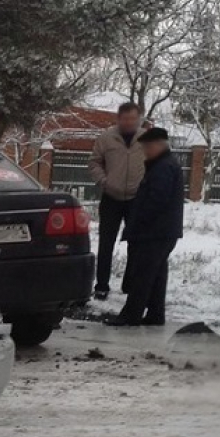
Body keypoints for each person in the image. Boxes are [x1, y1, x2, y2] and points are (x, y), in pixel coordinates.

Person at [105, 127, 184, 327]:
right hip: (162, 231)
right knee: (156, 274)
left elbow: (156, 200)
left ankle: (130, 316)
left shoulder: (163, 168)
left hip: (154, 232)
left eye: (147, 147)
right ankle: (155, 315)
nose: (145, 151)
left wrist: (139, 222)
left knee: (143, 274)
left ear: (157, 146)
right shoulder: (163, 165)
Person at [88, 102, 145, 300]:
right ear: (118, 118)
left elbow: (156, 164)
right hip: (111, 197)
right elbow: (94, 162)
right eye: (125, 118)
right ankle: (102, 285)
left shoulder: (146, 139)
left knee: (136, 243)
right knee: (106, 243)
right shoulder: (106, 138)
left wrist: (146, 187)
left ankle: (129, 284)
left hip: (136, 199)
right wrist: (104, 181)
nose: (129, 122)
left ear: (139, 119)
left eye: (133, 118)